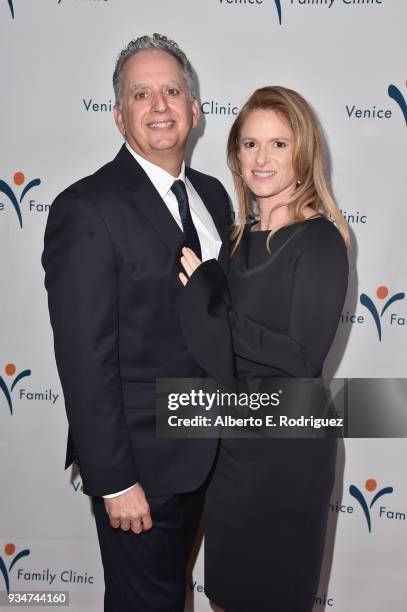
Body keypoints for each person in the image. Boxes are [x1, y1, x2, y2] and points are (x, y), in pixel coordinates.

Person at [42, 34, 232, 612]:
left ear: (194, 110)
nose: (159, 106)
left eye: (172, 91)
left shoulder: (216, 196)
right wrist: (115, 480)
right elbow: (83, 357)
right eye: (141, 94)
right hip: (139, 472)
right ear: (120, 115)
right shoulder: (87, 207)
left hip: (210, 456)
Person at [179, 86, 349, 612]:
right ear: (235, 153)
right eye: (250, 144)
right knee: (227, 595)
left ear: (303, 153)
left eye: (278, 144)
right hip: (234, 445)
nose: (262, 158)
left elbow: (301, 357)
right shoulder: (235, 237)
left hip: (288, 451)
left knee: (273, 597)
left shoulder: (319, 240)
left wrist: (210, 309)